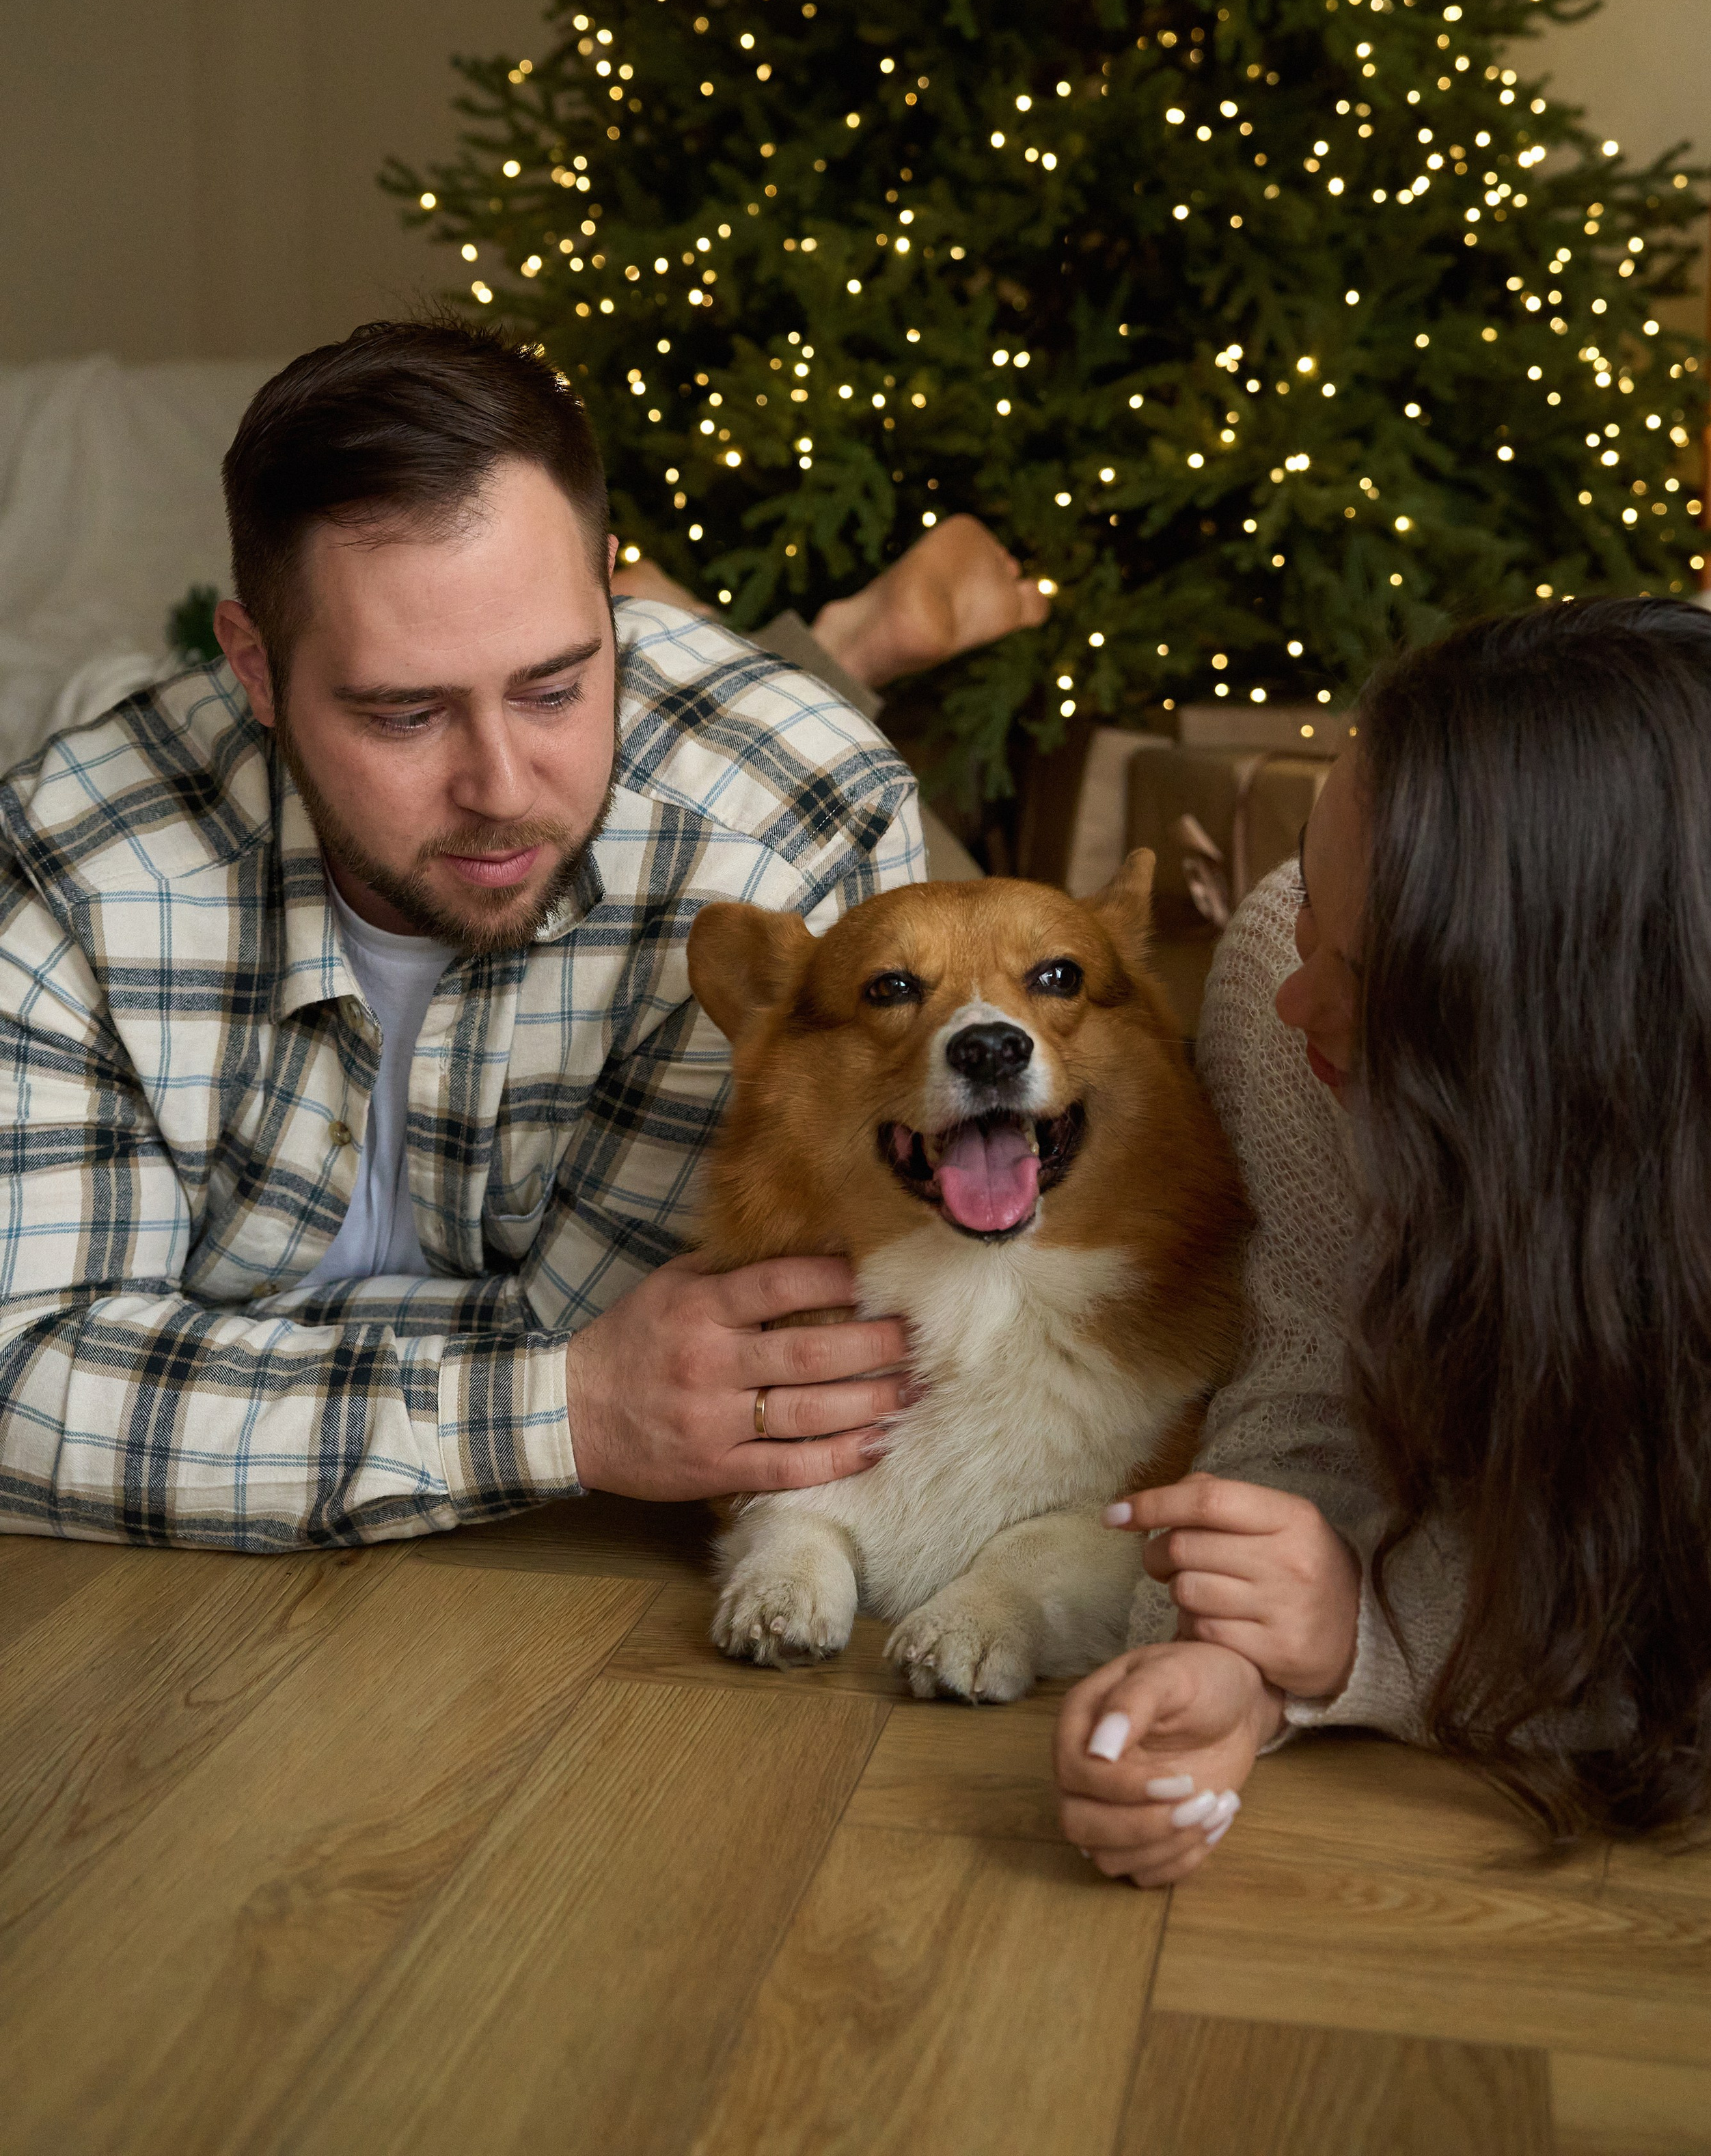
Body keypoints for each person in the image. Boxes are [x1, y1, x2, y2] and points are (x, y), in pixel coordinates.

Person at [0, 318, 1044, 1549]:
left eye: (556, 687)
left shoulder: (790, 826)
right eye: (404, 714)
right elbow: (19, 1384)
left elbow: (762, 1357)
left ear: (608, 586)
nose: (502, 787)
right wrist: (563, 1406)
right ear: (258, 667)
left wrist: (188, 1355)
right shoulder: (69, 862)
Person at [1055, 597, 1711, 1883]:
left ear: (1570, 1047)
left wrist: (1368, 1639)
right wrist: (1234, 1664)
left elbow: (1694, 1660)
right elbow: (1302, 1386)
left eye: (1371, 975)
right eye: (1312, 897)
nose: (1286, 989)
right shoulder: (1289, 989)